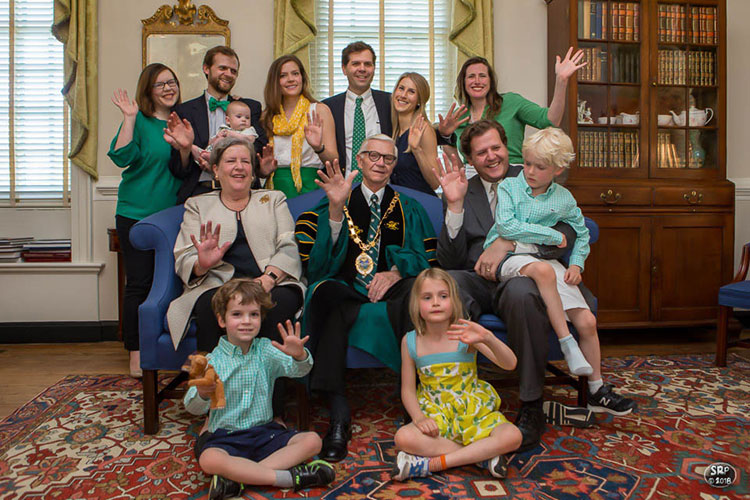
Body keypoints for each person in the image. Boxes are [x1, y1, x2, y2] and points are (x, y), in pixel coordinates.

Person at [435, 119, 596, 452]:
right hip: (478, 277)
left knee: (524, 292)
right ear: (470, 159)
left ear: (506, 147)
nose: (491, 156)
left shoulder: (535, 174)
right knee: (447, 284)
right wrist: (454, 206)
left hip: (522, 276)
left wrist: (508, 243)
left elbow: (568, 233)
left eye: (496, 147)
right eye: (481, 152)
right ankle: (451, 393)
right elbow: (450, 259)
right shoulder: (462, 189)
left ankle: (531, 404)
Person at [294, 134, 437, 462]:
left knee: (417, 291)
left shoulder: (408, 208)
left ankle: (412, 407)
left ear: (394, 165)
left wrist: (396, 272)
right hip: (346, 283)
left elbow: (427, 257)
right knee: (325, 293)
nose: (380, 163)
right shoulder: (337, 198)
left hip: (393, 285)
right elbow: (317, 264)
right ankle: (338, 414)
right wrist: (335, 209)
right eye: (373, 155)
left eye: (388, 158)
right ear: (359, 160)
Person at [485, 128, 637, 416]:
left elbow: (581, 233)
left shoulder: (564, 199)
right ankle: (567, 344)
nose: (530, 171)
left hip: (543, 259)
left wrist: (577, 264)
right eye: (527, 163)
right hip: (508, 256)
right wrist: (552, 235)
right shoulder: (508, 187)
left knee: (587, 321)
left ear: (557, 169)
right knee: (543, 270)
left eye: (540, 167)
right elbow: (506, 226)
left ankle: (596, 390)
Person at [167, 137, 304, 414]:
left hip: (271, 282)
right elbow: (184, 256)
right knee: (209, 307)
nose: (239, 167)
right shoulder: (197, 205)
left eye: (246, 161)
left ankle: (272, 411)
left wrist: (267, 279)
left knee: (276, 306)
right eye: (231, 161)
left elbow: (288, 246)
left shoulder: (273, 199)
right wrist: (202, 263)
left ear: (253, 171)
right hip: (218, 285)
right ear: (216, 170)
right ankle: (214, 410)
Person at [184, 278, 335, 499]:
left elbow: (299, 371)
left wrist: (299, 355)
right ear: (222, 320)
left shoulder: (266, 350)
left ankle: (238, 478)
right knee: (209, 459)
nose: (246, 321)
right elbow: (192, 407)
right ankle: (287, 477)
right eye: (237, 314)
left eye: (253, 314)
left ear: (261, 318)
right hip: (226, 437)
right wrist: (202, 394)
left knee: (313, 441)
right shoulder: (209, 361)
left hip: (265, 433)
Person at [392, 268, 522, 481]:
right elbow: (407, 389)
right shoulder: (410, 341)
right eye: (427, 297)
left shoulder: (466, 333)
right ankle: (482, 455)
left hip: (473, 413)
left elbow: (510, 364)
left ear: (454, 300)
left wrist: (488, 337)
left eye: (443, 296)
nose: (436, 302)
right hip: (435, 415)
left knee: (513, 436)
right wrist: (419, 418)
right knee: (403, 438)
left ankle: (433, 464)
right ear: (416, 304)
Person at [108, 63, 183, 378]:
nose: (168, 88)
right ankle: (136, 351)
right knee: (139, 284)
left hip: (172, 218)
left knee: (169, 283)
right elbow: (122, 156)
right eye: (160, 84)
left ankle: (164, 348)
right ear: (148, 90)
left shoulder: (182, 122)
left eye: (172, 82)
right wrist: (129, 118)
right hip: (136, 214)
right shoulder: (138, 120)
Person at [322, 41, 461, 180]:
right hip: (343, 185)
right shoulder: (328, 108)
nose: (362, 69)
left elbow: (416, 128)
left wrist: (444, 134)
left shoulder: (392, 102)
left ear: (374, 69)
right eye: (356, 64)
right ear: (344, 69)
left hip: (385, 187)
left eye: (368, 64)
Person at [163, 45, 268, 204]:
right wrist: (186, 149)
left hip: (243, 192)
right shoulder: (184, 111)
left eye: (233, 71)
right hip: (199, 192)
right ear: (206, 68)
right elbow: (178, 170)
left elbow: (260, 149)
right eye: (222, 68)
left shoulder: (249, 107)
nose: (228, 74)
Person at [452, 48, 585, 165]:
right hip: (472, 177)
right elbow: (456, 159)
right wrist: (444, 138)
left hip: (511, 174)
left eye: (482, 76)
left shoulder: (511, 102)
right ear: (463, 82)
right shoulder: (458, 116)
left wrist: (561, 81)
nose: (477, 81)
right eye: (471, 76)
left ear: (491, 81)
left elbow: (551, 120)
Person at [258, 54, 337, 198]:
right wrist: (263, 171)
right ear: (275, 82)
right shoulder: (267, 116)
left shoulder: (319, 110)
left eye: (295, 73)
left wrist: (318, 148)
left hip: (310, 187)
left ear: (302, 78)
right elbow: (261, 168)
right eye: (283, 75)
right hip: (275, 189)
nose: (291, 79)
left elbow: (333, 161)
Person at [389, 72, 440, 195]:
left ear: (419, 100)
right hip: (399, 202)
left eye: (411, 92)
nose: (403, 95)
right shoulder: (394, 131)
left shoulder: (424, 130)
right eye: (401, 88)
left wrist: (416, 150)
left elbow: (435, 182)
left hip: (420, 202)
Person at [192, 100, 258, 164]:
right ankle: (203, 154)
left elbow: (250, 140)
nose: (244, 120)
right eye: (239, 116)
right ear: (228, 120)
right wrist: (216, 138)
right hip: (215, 150)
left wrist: (232, 134)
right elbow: (211, 141)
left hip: (234, 154)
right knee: (216, 141)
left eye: (247, 117)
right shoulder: (224, 128)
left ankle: (212, 158)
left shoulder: (249, 130)